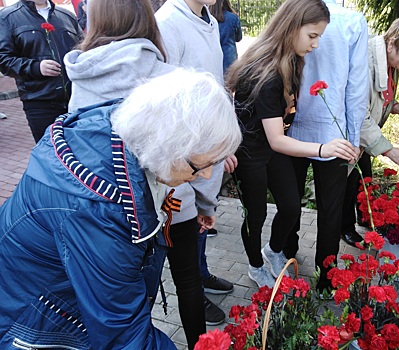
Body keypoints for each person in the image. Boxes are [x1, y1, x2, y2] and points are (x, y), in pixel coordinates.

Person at [0, 68, 242, 349]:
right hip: (37, 323)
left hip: (57, 301)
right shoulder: (100, 209)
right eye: (199, 166)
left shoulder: (130, 126)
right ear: (167, 147)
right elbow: (123, 335)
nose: (206, 176)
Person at [64, 0, 206, 348]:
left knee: (128, 298)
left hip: (107, 210)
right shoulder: (171, 78)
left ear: (94, 21)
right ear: (147, 21)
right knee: (188, 280)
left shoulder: (82, 77)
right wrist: (206, 200)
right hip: (173, 203)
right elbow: (195, 152)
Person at [225, 0, 358, 289]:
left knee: (290, 207)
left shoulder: (292, 60)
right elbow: (277, 139)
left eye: (320, 36)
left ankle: (272, 251)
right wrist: (324, 149)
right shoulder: (266, 71)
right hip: (251, 154)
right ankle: (255, 267)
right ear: (291, 27)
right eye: (312, 36)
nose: (316, 44)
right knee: (256, 216)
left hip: (272, 150)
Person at [156, 0, 234, 332]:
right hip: (184, 160)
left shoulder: (210, 20)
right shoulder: (168, 23)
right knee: (187, 225)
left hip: (207, 153)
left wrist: (222, 143)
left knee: (204, 215)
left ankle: (200, 273)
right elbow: (169, 103)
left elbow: (213, 87)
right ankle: (193, 288)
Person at [283, 0, 368, 292]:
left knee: (289, 202)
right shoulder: (353, 21)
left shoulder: (294, 10)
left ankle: (286, 258)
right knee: (330, 210)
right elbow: (357, 86)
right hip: (335, 131)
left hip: (291, 128)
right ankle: (326, 279)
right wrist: (354, 139)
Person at [341, 14, 399, 246]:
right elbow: (359, 114)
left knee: (364, 180)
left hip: (363, 140)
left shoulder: (389, 60)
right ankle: (345, 228)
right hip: (349, 136)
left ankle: (361, 219)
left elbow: (378, 98)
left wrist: (396, 107)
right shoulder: (366, 60)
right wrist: (389, 150)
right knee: (348, 182)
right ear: (392, 43)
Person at [0, 0, 83, 143]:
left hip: (76, 99)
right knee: (51, 155)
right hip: (40, 102)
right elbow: (3, 59)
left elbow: (83, 49)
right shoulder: (7, 17)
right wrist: (35, 67)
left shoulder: (66, 16)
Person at [209, 0, 242, 74]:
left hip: (212, 56)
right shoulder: (233, 18)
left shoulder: (208, 19)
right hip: (229, 57)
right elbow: (239, 38)